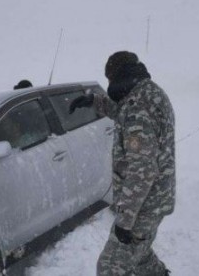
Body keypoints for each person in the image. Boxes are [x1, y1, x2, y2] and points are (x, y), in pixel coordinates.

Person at [69, 51, 175, 276]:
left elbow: (142, 169)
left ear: (117, 76)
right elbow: (123, 112)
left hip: (144, 205)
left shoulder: (138, 105)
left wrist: (125, 220)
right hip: (154, 199)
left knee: (110, 267)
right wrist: (95, 102)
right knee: (140, 256)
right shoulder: (147, 93)